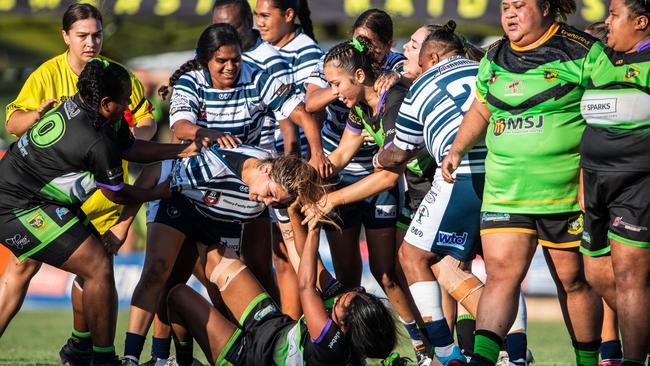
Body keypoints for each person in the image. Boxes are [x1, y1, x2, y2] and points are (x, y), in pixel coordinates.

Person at [122, 23, 330, 365]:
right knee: (162, 272)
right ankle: (141, 358)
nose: (231, 67)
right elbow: (174, 142)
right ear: (206, 61)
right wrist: (127, 206)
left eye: (235, 60)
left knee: (219, 284)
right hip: (186, 196)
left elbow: (299, 115)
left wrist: (316, 154)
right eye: (222, 61)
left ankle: (205, 353)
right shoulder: (208, 153)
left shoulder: (265, 189)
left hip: (228, 207)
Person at [0, 59, 201, 366]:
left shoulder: (98, 114)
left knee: (97, 264)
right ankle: (104, 360)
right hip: (13, 207)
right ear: (107, 104)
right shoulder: (94, 138)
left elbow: (131, 148)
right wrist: (154, 194)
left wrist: (181, 149)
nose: (129, 111)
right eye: (124, 104)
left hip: (40, 198)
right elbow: (117, 193)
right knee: (97, 267)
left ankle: (81, 350)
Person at [440, 1, 605, 365]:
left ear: (546, 8)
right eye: (504, 7)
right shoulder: (495, 55)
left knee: (574, 281)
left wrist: (589, 174)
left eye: (519, 6)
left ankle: (590, 361)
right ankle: (484, 361)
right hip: (505, 190)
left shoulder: (583, 51)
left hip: (562, 195)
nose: (509, 14)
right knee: (500, 277)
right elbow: (481, 106)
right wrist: (457, 147)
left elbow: (609, 112)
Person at [0, 3, 157, 364]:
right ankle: (88, 349)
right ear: (65, 37)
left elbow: (144, 119)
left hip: (102, 195)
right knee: (27, 267)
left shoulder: (116, 76)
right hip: (50, 196)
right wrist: (37, 115)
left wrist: (134, 136)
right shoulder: (45, 75)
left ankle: (81, 344)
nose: (91, 43)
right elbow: (14, 122)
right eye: (83, 36)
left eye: (97, 34)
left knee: (94, 272)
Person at [165, 197, 407, 366]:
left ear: (344, 327)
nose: (346, 295)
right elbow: (307, 260)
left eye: (347, 303)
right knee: (216, 254)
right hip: (272, 326)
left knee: (178, 295)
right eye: (357, 294)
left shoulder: (331, 347)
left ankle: (184, 362)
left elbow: (305, 284)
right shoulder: (344, 312)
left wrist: (314, 228)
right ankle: (223, 323)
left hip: (249, 358)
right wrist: (290, 209)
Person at [580, 0, 650, 364]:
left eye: (614, 15)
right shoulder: (599, 58)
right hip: (594, 184)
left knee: (629, 276)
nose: (606, 22)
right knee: (597, 274)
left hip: (638, 184)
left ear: (641, 22)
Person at [254, 0, 324, 321]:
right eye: (256, 15)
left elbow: (310, 107)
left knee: (301, 260)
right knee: (281, 257)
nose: (260, 23)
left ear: (289, 15)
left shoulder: (306, 50)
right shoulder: (263, 49)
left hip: (292, 171)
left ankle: (315, 334)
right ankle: (290, 333)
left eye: (266, 15)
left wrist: (299, 163)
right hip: (268, 166)